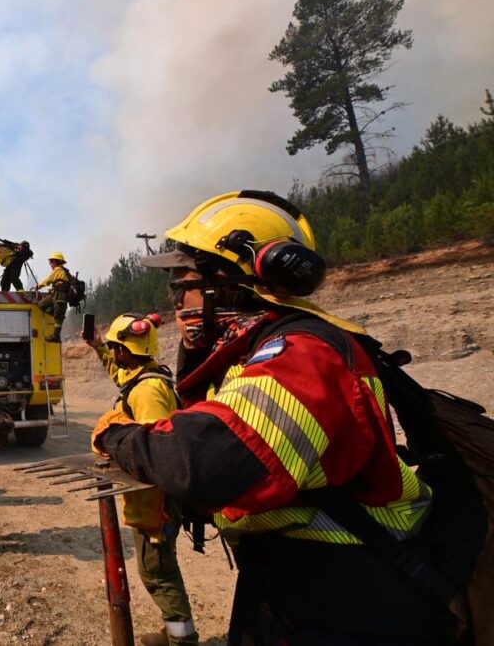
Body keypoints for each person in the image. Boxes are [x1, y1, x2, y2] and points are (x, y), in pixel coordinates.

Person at [92, 190, 479, 645]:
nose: (175, 300)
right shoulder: (254, 352)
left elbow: (207, 460)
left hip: (352, 590)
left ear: (229, 283)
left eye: (183, 284)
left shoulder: (304, 353)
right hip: (294, 576)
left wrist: (117, 435)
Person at [86, 313, 198, 646]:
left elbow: (156, 450)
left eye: (113, 347)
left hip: (155, 500)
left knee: (156, 571)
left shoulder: (148, 391)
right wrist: (97, 347)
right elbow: (119, 374)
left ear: (124, 350)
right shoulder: (143, 374)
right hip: (154, 496)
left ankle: (182, 640)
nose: (113, 353)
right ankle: (173, 631)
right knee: (160, 565)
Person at [36, 251, 70, 343]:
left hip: (60, 295)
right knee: (41, 304)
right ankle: (58, 316)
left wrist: (37, 286)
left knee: (58, 316)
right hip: (55, 294)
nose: (50, 264)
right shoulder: (61, 271)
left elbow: (48, 280)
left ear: (56, 262)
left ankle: (56, 336)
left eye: (51, 262)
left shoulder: (58, 270)